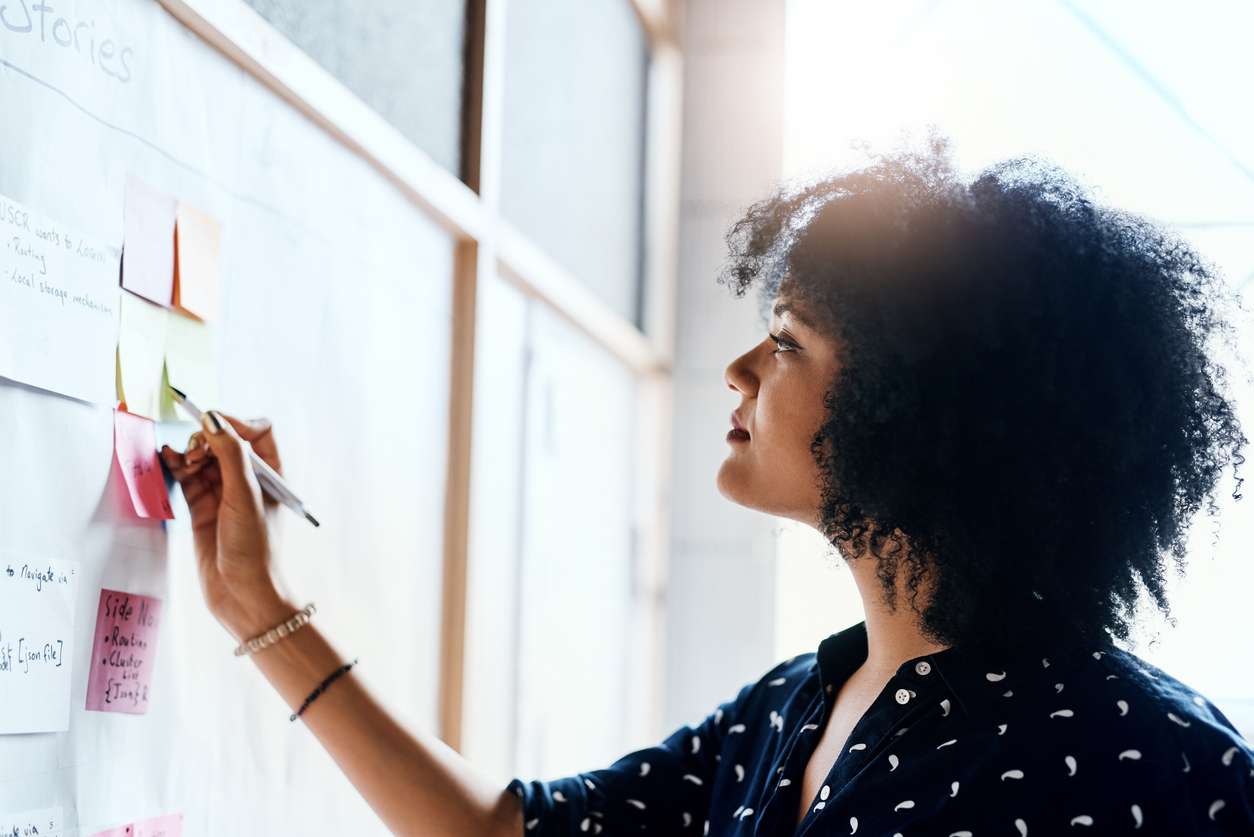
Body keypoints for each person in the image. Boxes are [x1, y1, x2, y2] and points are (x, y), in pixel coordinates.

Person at [160, 134, 1254, 836]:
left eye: (785, 341)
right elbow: (511, 836)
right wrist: (259, 608)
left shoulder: (1159, 766)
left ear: (917, 414)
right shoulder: (795, 709)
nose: (737, 369)